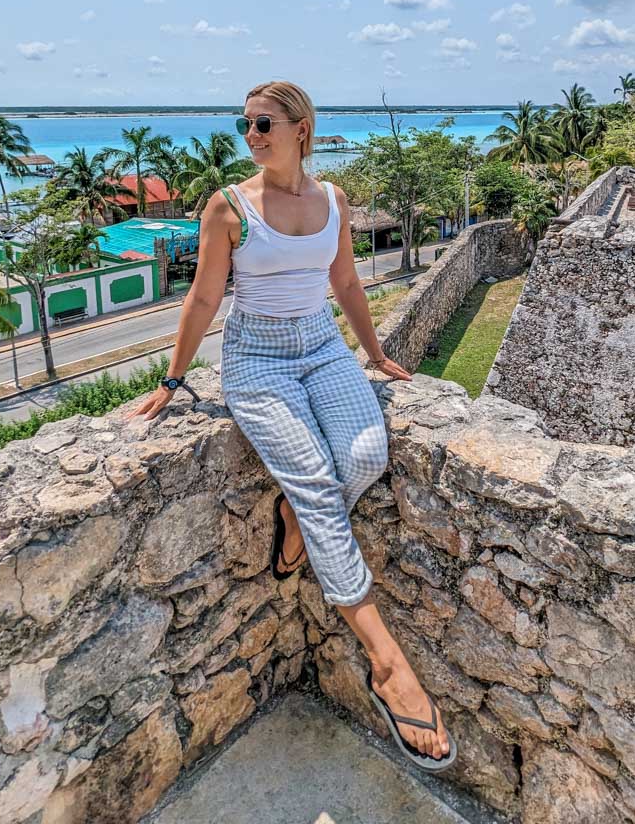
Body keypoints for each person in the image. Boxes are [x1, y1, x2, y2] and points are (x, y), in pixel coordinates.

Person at [131, 81, 456, 771]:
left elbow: (344, 283)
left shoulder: (332, 199)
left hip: (322, 347)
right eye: (244, 123)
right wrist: (172, 379)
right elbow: (204, 297)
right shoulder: (229, 207)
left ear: (300, 128)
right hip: (258, 359)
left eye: (263, 122)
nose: (250, 133)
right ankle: (387, 661)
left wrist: (373, 353)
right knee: (313, 477)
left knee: (366, 455)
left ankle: (297, 519)